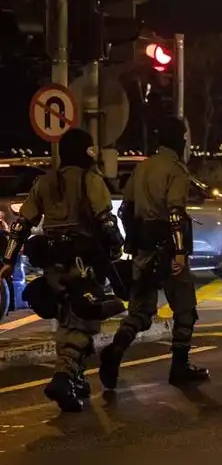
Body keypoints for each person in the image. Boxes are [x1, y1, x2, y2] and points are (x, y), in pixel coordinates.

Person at [0, 129, 124, 412]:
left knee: (66, 316)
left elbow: (22, 223)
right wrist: (116, 248)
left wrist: (7, 260)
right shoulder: (90, 180)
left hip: (52, 262)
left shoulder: (44, 182)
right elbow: (106, 221)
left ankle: (76, 377)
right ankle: (64, 377)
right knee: (85, 318)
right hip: (84, 261)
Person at [99, 117, 209, 390]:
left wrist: (133, 242)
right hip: (169, 252)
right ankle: (179, 367)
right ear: (180, 140)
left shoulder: (142, 168)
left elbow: (125, 210)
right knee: (185, 310)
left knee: (139, 312)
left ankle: (116, 349)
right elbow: (175, 214)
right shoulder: (176, 171)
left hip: (143, 251)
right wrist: (180, 253)